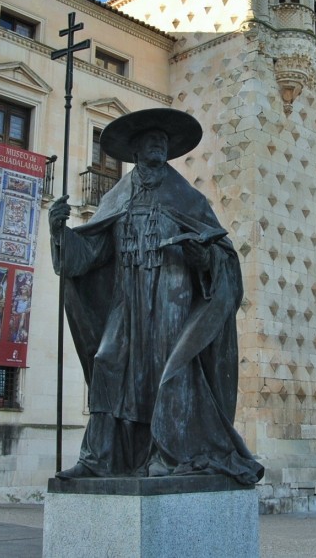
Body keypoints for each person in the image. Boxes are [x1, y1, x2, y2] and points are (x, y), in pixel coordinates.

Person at [48, 108, 263, 485]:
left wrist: (203, 255)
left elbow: (221, 255)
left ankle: (168, 452)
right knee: (107, 362)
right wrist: (59, 232)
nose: (159, 145)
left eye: (163, 142)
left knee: (168, 372)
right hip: (127, 298)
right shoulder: (117, 196)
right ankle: (98, 458)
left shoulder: (187, 197)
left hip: (172, 297)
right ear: (135, 149)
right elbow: (89, 255)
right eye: (151, 140)